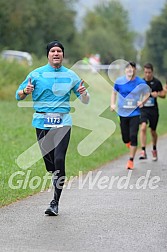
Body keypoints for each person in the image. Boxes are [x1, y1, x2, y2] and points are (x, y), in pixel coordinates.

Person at [16, 40, 90, 216]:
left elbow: (86, 101)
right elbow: (18, 96)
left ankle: (55, 202)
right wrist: (26, 91)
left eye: (59, 51)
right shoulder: (36, 74)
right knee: (49, 162)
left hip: (63, 122)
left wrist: (83, 93)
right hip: (41, 122)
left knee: (59, 160)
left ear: (63, 55)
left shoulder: (71, 76)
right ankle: (54, 172)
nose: (56, 53)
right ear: (48, 55)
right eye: (53, 51)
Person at [110, 61, 150, 170]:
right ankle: (129, 143)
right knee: (125, 138)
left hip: (135, 113)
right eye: (128, 69)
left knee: (133, 136)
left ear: (135, 70)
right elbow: (114, 92)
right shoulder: (119, 81)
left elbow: (147, 92)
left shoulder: (140, 82)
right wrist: (112, 104)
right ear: (125, 70)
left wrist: (142, 101)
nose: (130, 71)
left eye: (132, 69)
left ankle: (131, 160)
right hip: (123, 113)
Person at [139, 63, 166, 161]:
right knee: (143, 127)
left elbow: (163, 94)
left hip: (153, 110)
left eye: (149, 72)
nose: (147, 74)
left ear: (152, 72)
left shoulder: (157, 82)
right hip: (143, 109)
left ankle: (154, 149)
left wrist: (158, 94)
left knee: (153, 131)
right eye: (146, 72)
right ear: (144, 72)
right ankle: (143, 150)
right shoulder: (140, 82)